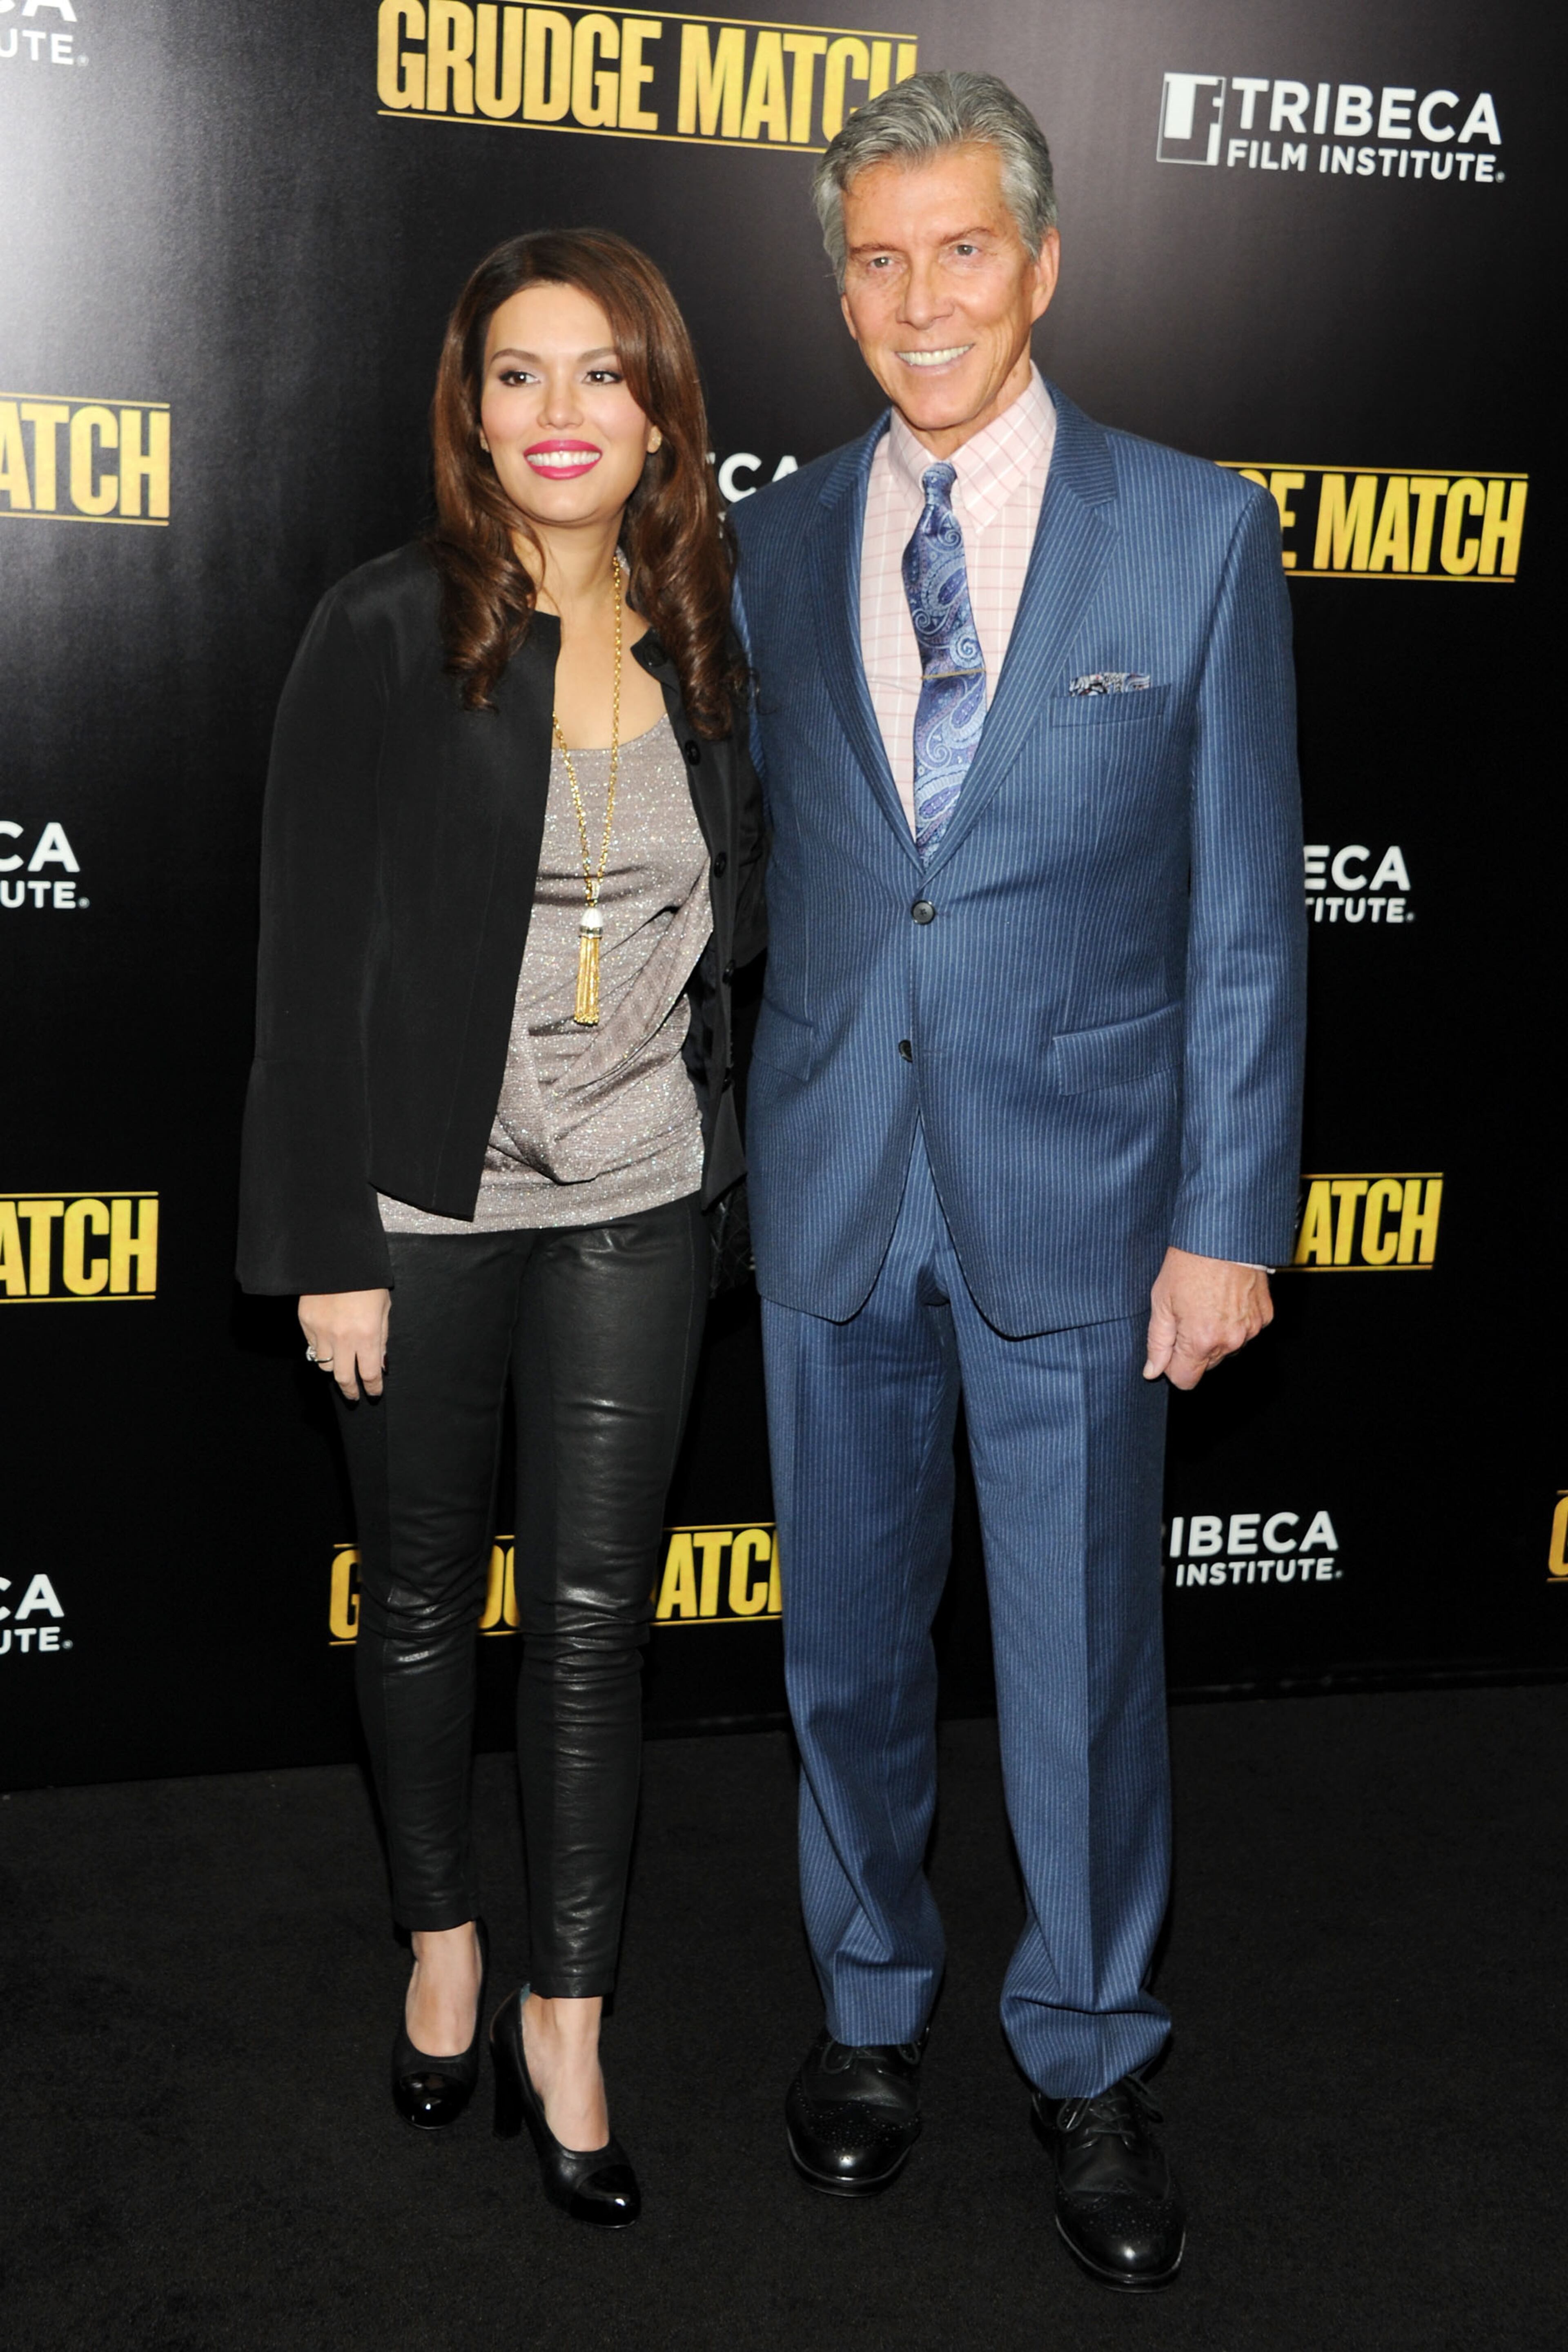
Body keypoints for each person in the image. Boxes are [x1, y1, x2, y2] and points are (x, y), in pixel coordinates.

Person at [729, 72, 1304, 2290]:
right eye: (875, 259)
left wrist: (1231, 1211)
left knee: (1076, 1670)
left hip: (1088, 1198)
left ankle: (1086, 2052)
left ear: (1043, 265)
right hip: (835, 1184)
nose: (918, 298)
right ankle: (872, 2006)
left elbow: (1248, 910)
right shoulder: (775, 546)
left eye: (963, 249)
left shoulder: (1198, 534)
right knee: (847, 1654)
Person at [237, 229, 764, 2230]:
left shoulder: (713, 626)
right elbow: (305, 958)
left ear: (660, 413)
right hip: (417, 1206)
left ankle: (568, 2008)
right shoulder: (386, 626)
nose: (562, 416)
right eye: (520, 376)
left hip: (637, 1196)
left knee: (600, 1633)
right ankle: (442, 1942)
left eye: (602, 376)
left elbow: (751, 926)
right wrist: (322, 1247)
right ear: (471, 409)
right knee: (430, 1598)